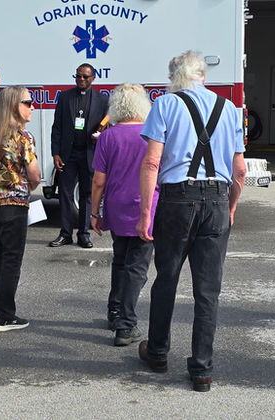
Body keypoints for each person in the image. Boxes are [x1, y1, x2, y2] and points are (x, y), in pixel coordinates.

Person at [136, 51, 248, 393]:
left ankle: (157, 352)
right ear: (202, 75)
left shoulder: (165, 105)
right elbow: (240, 169)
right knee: (208, 290)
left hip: (177, 199)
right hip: (216, 197)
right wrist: (229, 207)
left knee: (166, 277)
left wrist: (145, 213)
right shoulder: (229, 109)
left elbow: (152, 164)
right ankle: (201, 370)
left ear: (174, 77)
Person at [88, 83, 157, 346]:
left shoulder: (108, 136)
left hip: (116, 207)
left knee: (121, 261)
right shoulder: (151, 135)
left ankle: (115, 311)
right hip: (145, 208)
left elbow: (98, 181)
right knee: (137, 268)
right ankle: (126, 325)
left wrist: (94, 212)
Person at [0, 86, 41, 332]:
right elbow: (34, 173)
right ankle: (5, 316)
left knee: (0, 255)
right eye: (28, 102)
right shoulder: (22, 136)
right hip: (12, 204)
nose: (32, 106)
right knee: (12, 259)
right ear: (15, 106)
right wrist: (31, 184)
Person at [49, 63, 110, 249]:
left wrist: (99, 136)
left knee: (86, 194)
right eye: (78, 76)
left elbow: (107, 127)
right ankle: (65, 234)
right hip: (68, 154)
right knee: (65, 194)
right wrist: (56, 153)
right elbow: (57, 127)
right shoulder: (65, 97)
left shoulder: (102, 100)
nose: (81, 79)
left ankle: (83, 234)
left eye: (85, 76)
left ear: (93, 78)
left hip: (89, 154)